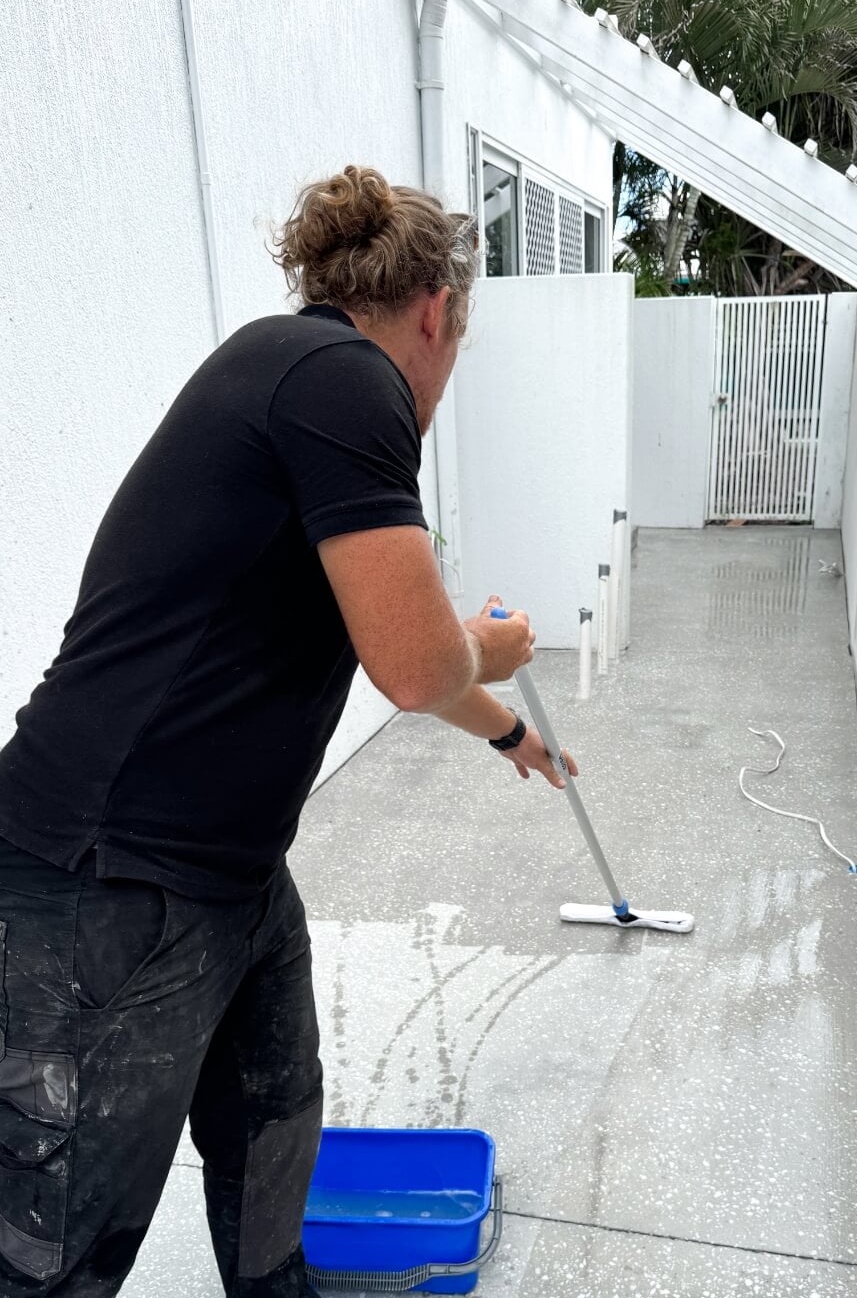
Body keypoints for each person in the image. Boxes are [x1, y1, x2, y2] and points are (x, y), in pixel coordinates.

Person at [0, 165, 577, 1297]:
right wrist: (488, 651)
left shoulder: (297, 373)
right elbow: (417, 663)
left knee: (273, 1122)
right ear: (439, 313)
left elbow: (397, 642)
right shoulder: (344, 382)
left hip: (226, 873)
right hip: (104, 882)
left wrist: (506, 728)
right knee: (56, 1246)